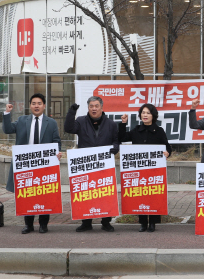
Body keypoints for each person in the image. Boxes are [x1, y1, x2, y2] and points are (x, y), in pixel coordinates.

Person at [3, 93, 62, 234]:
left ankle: (43, 224)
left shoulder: (51, 122)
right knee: (27, 194)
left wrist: (57, 152)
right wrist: (6, 113)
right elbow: (7, 130)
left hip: (44, 165)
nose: (36, 106)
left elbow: (56, 141)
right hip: (26, 165)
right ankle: (28, 225)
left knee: (44, 194)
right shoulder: (22, 120)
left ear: (44, 106)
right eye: (34, 103)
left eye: (39, 103)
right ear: (30, 106)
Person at [65, 95, 119, 232]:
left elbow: (116, 140)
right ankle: (86, 222)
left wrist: (115, 147)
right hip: (86, 165)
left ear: (101, 107)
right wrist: (72, 112)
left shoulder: (111, 124)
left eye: (96, 106)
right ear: (88, 108)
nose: (94, 109)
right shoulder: (81, 121)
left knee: (105, 193)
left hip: (104, 165)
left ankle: (106, 222)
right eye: (91, 106)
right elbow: (68, 128)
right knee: (85, 192)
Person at [119, 103, 172, 233]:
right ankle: (143, 222)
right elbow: (122, 138)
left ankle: (153, 223)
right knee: (141, 195)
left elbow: (168, 147)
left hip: (154, 171)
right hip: (139, 170)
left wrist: (167, 153)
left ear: (153, 115)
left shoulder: (159, 131)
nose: (145, 115)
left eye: (148, 113)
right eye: (143, 113)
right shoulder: (136, 130)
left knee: (153, 195)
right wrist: (123, 123)